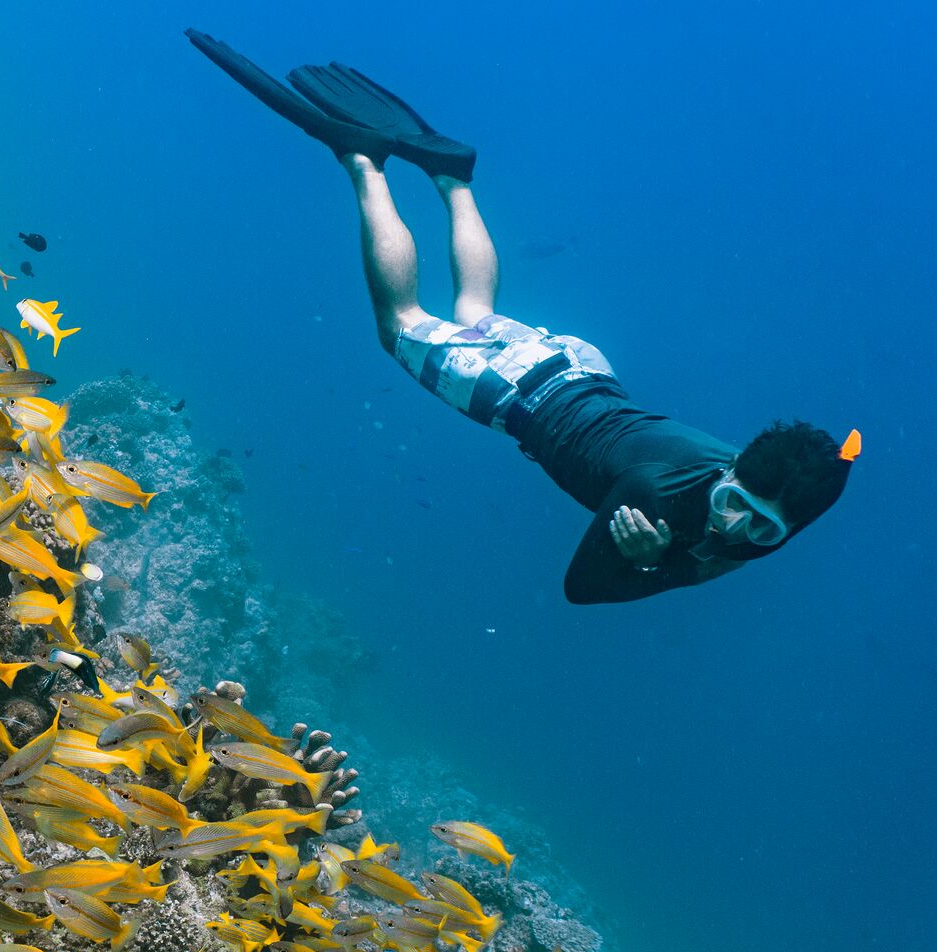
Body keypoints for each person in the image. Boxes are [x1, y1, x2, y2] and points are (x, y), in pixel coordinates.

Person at [187, 32, 859, 604]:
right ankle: (362, 160)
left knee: (476, 313)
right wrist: (657, 562)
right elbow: (584, 588)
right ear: (734, 466)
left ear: (790, 530)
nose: (739, 530)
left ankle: (451, 177)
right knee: (400, 324)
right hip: (519, 395)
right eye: (734, 505)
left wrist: (708, 550)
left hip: (583, 367)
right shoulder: (650, 499)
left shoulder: (748, 483)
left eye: (764, 530)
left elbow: (735, 537)